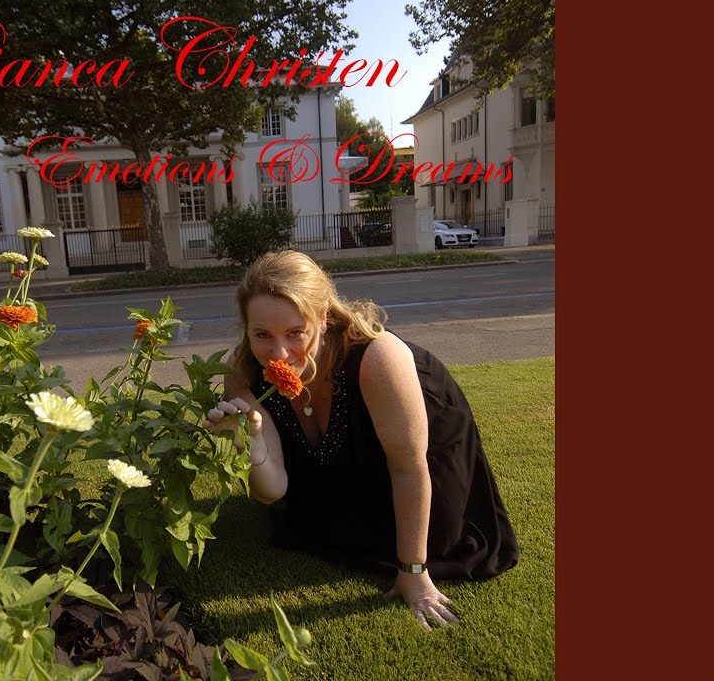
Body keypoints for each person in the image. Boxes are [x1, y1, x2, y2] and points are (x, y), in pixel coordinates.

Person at [204, 251, 519, 630]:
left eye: (295, 332)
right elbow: (273, 492)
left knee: (439, 536)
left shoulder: (377, 358)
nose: (279, 354)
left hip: (418, 436)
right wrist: (251, 444)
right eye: (262, 335)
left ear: (323, 318)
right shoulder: (242, 369)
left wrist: (414, 572)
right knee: (304, 523)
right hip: (347, 455)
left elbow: (408, 465)